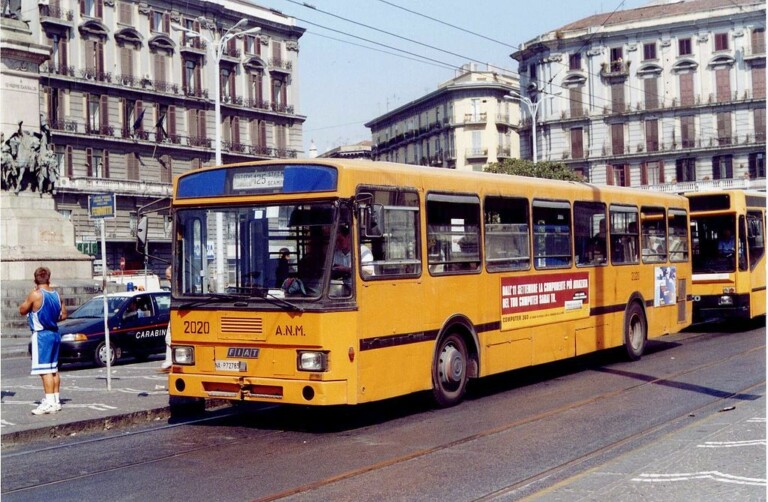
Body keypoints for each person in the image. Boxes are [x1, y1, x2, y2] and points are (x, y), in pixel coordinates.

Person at [19, 266, 67, 415]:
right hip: (55, 333)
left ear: (35, 279)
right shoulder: (57, 295)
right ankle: (56, 400)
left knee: (45, 371)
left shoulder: (36, 294)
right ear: (49, 278)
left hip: (41, 335)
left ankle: (49, 403)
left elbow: (22, 310)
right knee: (54, 369)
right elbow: (64, 315)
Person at [161, 265, 172, 371]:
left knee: (169, 337)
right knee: (168, 338)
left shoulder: (178, 286)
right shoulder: (173, 287)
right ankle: (169, 360)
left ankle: (170, 361)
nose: (167, 279)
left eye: (168, 276)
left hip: (176, 315)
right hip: (173, 315)